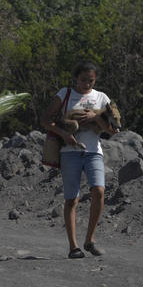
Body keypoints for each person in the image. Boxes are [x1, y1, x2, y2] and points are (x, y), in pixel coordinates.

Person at [40, 60, 118, 258]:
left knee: (99, 191)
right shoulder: (65, 94)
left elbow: (112, 130)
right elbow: (45, 119)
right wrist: (64, 135)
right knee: (71, 199)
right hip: (69, 152)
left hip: (93, 151)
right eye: (83, 80)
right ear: (76, 78)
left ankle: (89, 240)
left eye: (91, 81)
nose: (87, 84)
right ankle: (73, 246)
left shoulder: (101, 97)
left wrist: (95, 118)